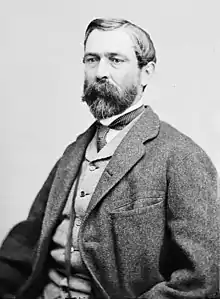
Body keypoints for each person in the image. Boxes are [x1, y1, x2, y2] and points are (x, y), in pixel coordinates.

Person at [0, 17, 219, 299]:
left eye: (115, 60)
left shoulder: (181, 157)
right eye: (92, 59)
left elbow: (201, 280)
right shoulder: (73, 153)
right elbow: (27, 240)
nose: (100, 71)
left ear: (146, 73)